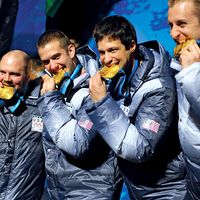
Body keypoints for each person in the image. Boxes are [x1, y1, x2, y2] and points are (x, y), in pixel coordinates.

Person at [87, 15, 187, 199]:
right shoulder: (117, 76)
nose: (106, 59)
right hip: (136, 186)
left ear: (131, 46)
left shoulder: (160, 87)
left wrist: (101, 103)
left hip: (166, 189)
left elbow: (141, 149)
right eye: (102, 52)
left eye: (112, 50)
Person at [36, 30, 123, 199]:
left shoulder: (98, 84)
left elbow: (77, 144)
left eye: (56, 57)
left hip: (93, 189)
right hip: (57, 190)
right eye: (46, 61)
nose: (52, 66)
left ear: (70, 50)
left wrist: (49, 99)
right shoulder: (50, 87)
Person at [0, 50, 45, 199]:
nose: (6, 79)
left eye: (14, 74)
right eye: (2, 72)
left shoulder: (44, 106)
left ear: (28, 76)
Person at [168, 0, 200, 199]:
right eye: (170, 25)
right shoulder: (184, 61)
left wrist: (193, 72)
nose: (173, 34)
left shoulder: (192, 68)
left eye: (181, 24)